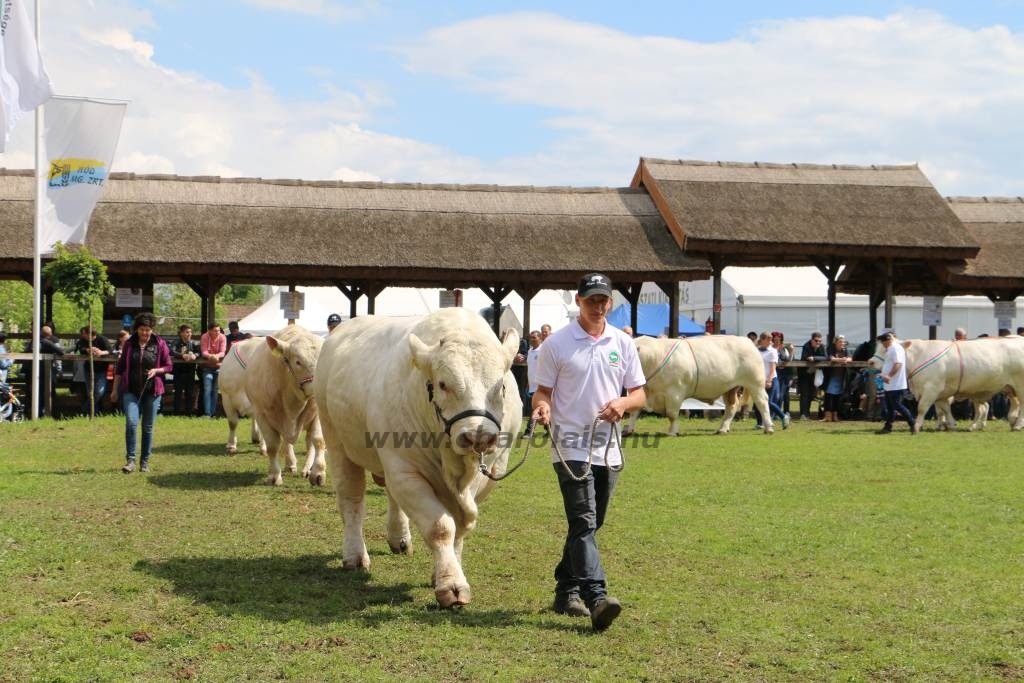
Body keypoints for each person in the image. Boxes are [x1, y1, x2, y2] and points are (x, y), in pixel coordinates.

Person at [531, 273, 646, 632]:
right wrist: (542, 407)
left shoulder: (622, 343)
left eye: (603, 300)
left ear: (610, 303)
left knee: (591, 524)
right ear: (578, 301)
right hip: (570, 446)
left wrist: (624, 404)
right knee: (583, 521)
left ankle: (565, 591)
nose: (598, 306)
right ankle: (597, 597)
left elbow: (640, 393)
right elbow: (542, 392)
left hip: (608, 448)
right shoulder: (557, 344)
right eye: (591, 300)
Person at [110, 312, 173, 473]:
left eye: (148, 329)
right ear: (137, 329)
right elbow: (120, 368)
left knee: (147, 427)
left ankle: (144, 461)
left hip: (153, 390)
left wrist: (156, 370)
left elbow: (168, 366)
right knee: (131, 423)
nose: (145, 333)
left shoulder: (160, 343)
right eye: (142, 329)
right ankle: (130, 460)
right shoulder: (129, 344)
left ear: (152, 329)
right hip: (130, 390)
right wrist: (114, 390)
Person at [877, 331, 916, 434]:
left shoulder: (895, 348)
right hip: (890, 384)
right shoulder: (890, 349)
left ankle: (912, 423)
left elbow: (898, 364)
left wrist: (888, 376)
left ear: (889, 340)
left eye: (884, 341)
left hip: (896, 383)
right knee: (890, 406)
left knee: (896, 405)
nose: (883, 343)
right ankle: (888, 427)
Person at [754, 332, 789, 429]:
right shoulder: (756, 350)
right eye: (768, 340)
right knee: (757, 401)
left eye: (771, 340)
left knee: (767, 402)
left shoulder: (772, 351)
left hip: (771, 379)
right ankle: (759, 423)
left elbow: (773, 367)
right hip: (759, 380)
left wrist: (769, 380)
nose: (771, 342)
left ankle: (783, 416)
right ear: (762, 340)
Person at [73, 326, 112, 415]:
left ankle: (83, 410)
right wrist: (88, 350)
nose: (82, 335)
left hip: (101, 369)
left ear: (89, 334)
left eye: (84, 334)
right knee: (90, 392)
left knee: (99, 392)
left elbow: (110, 350)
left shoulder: (102, 339)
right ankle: (94, 413)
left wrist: (101, 352)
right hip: (88, 369)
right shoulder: (83, 340)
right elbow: (80, 349)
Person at [170, 324, 201, 416]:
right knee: (178, 393)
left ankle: (188, 413)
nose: (189, 334)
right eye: (187, 332)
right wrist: (182, 355)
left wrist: (195, 355)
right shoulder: (176, 343)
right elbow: (171, 351)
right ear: (181, 333)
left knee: (189, 393)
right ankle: (176, 413)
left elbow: (200, 352)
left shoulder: (194, 343)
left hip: (190, 372)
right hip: (178, 372)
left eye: (190, 332)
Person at [821, 335, 852, 422]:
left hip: (841, 377)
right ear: (836, 342)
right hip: (831, 376)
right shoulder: (831, 349)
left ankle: (835, 416)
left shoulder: (845, 350)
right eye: (840, 342)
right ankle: (827, 416)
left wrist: (846, 360)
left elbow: (850, 358)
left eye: (843, 342)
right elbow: (831, 358)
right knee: (828, 396)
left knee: (837, 396)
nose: (842, 343)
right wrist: (841, 360)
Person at [199, 322, 226, 417]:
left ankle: (213, 413)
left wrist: (216, 356)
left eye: (219, 330)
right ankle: (207, 413)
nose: (218, 332)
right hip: (207, 367)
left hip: (218, 367)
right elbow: (204, 352)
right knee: (207, 389)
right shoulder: (205, 337)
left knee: (215, 390)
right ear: (209, 331)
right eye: (215, 330)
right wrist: (211, 356)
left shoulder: (222, 337)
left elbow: (223, 352)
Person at [797, 332, 827, 419]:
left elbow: (825, 357)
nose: (818, 343)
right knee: (804, 394)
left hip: (814, 374)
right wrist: (813, 358)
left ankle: (808, 413)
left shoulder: (821, 346)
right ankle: (803, 414)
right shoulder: (806, 346)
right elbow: (804, 357)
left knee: (811, 394)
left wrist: (814, 358)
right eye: (816, 341)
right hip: (804, 374)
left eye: (820, 341)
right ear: (812, 340)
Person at [524, 329, 543, 432]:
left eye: (534, 337)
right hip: (531, 385)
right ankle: (549, 429)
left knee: (534, 408)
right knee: (539, 408)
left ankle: (529, 430)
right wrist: (528, 383)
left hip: (540, 386)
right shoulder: (530, 351)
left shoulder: (543, 350)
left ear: (540, 338)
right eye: (531, 338)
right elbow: (530, 368)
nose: (532, 340)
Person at [772, 331, 793, 415]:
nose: (777, 341)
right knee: (775, 394)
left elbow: (789, 359)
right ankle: (775, 412)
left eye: (779, 339)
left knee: (782, 394)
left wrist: (791, 351)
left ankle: (779, 413)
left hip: (784, 373)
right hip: (774, 372)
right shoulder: (770, 348)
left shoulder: (784, 348)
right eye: (775, 339)